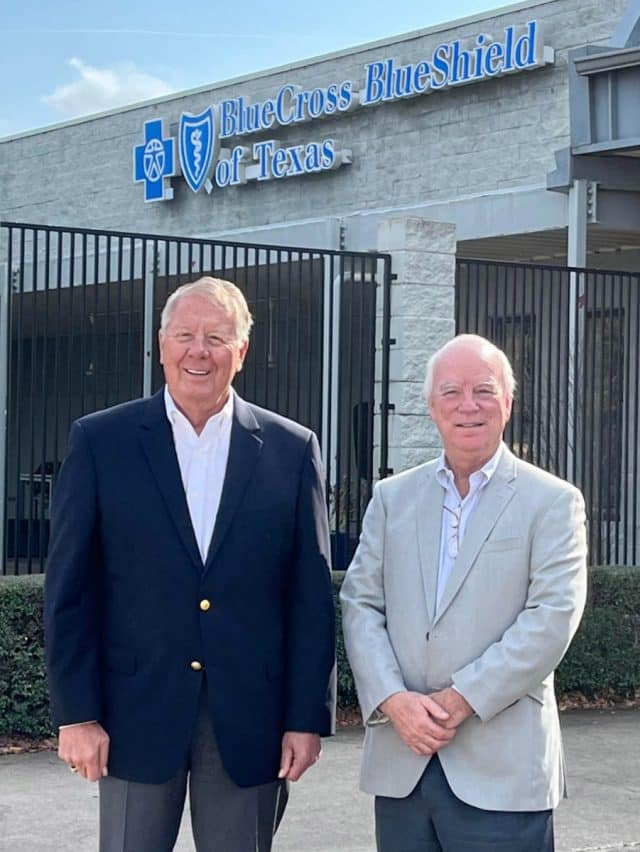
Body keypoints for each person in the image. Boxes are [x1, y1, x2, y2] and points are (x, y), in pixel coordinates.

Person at [44, 276, 336, 852]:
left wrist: (307, 716)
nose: (198, 351)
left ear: (242, 352)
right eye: (185, 335)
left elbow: (310, 598)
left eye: (217, 337)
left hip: (250, 719)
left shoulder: (290, 449)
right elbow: (70, 590)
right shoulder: (103, 442)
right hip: (132, 715)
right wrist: (76, 714)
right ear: (161, 344)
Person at [340, 333, 587, 852]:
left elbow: (552, 618)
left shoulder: (553, 503)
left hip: (503, 771)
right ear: (431, 406)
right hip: (402, 762)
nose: (467, 405)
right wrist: (392, 700)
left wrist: (460, 699)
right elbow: (361, 603)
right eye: (450, 392)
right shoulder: (391, 499)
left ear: (508, 403)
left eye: (484, 390)